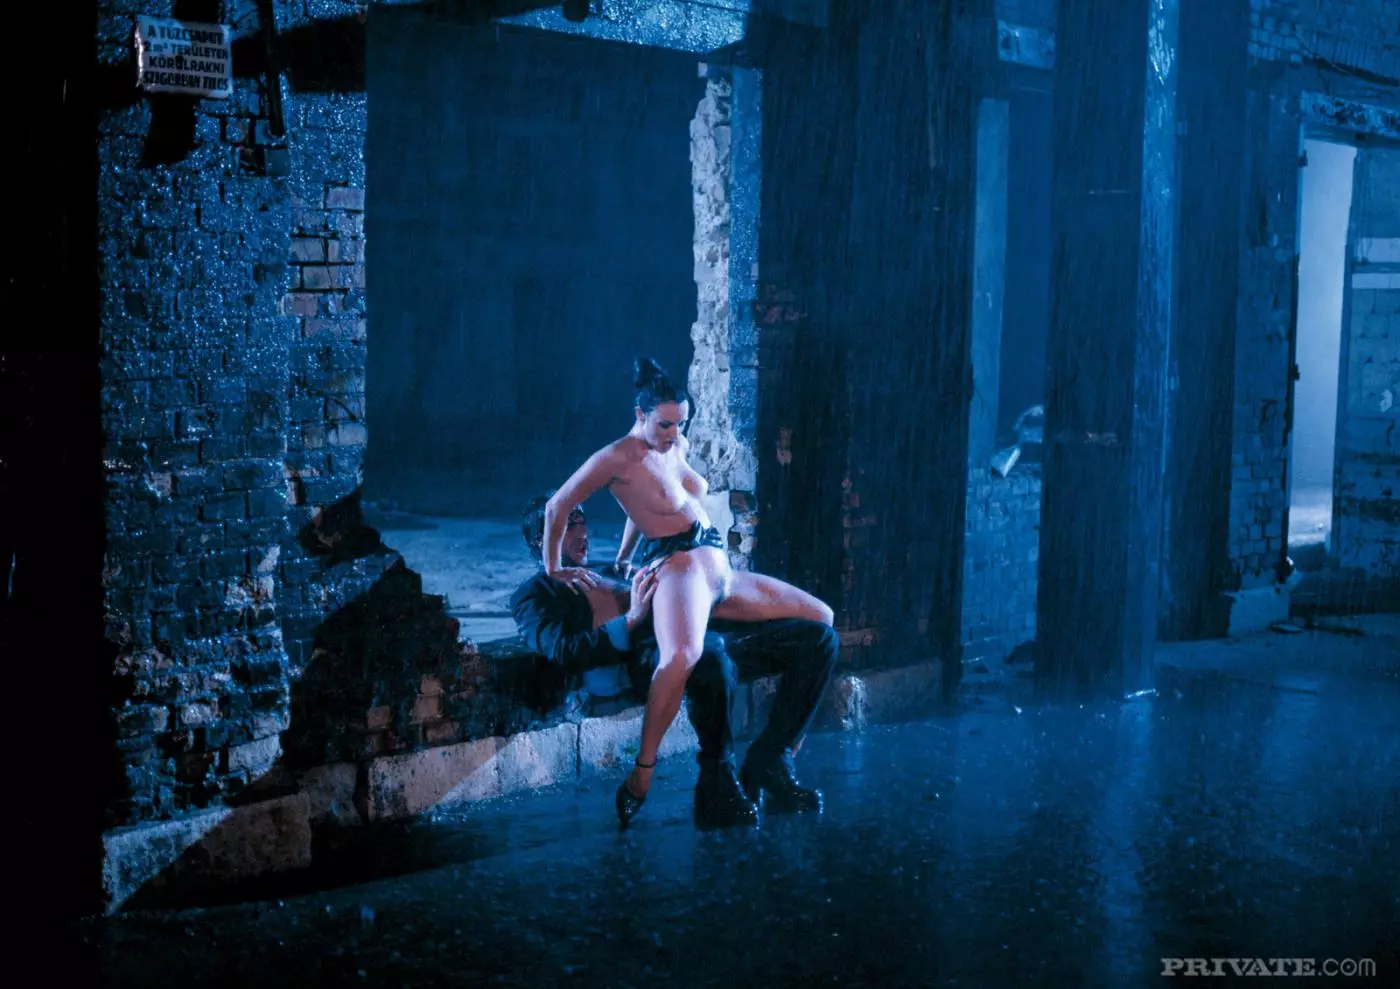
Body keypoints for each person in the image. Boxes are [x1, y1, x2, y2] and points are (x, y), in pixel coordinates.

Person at [538, 358, 836, 825]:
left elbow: (646, 502)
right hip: (680, 568)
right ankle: (642, 773)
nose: (674, 433)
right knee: (681, 656)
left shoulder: (675, 444)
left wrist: (623, 555)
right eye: (664, 424)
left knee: (822, 619)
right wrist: (554, 568)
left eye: (681, 423)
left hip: (721, 570)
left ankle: (773, 757)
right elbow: (557, 506)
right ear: (640, 416)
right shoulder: (616, 457)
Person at [512, 494, 839, 828]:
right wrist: (631, 619)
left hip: (701, 631)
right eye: (570, 524)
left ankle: (771, 758)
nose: (583, 532)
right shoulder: (535, 594)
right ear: (542, 539)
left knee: (818, 639)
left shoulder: (609, 570)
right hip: (650, 656)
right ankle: (717, 782)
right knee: (708, 655)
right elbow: (564, 650)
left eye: (583, 521)